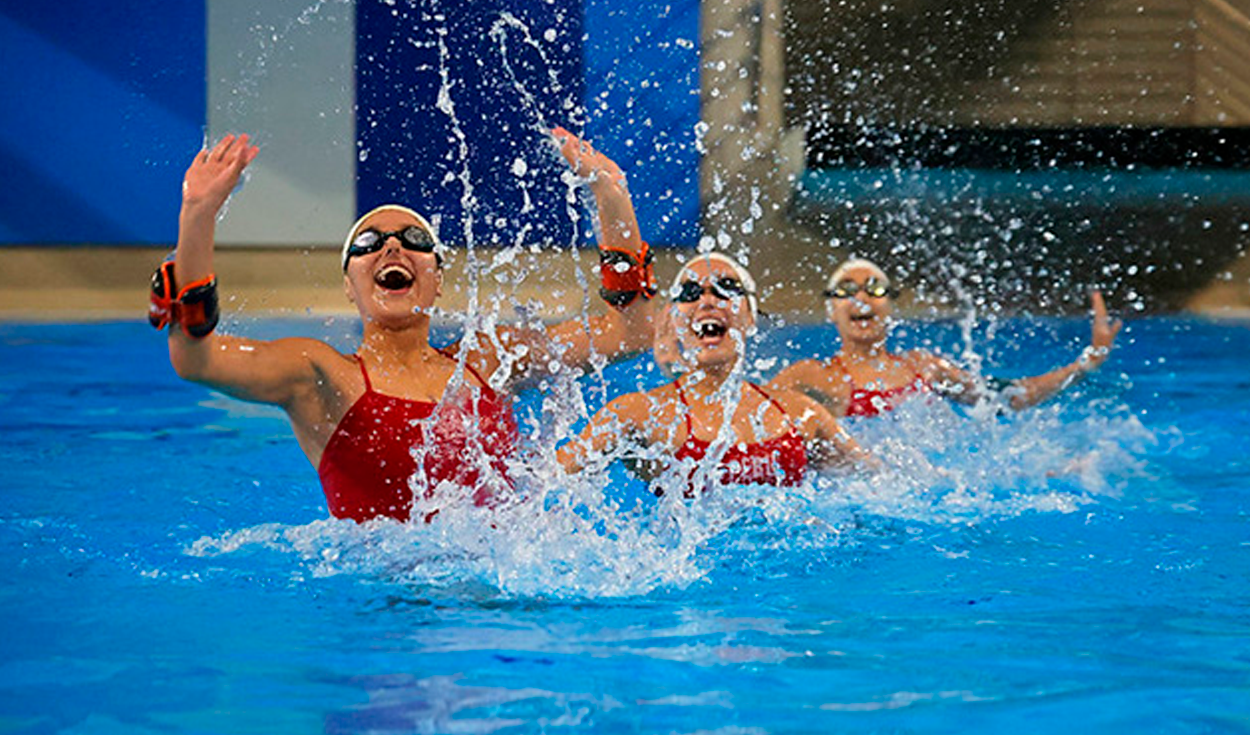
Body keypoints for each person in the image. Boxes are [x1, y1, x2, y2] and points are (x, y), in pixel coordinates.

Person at [152, 129, 657, 523]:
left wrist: (611, 195)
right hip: (383, 618)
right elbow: (197, 359)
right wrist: (198, 213)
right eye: (369, 243)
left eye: (412, 238)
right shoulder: (323, 377)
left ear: (437, 279)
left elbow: (630, 332)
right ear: (349, 285)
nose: (391, 247)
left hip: (498, 622)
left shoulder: (487, 362)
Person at [558, 253, 872, 494]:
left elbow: (884, 489)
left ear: (750, 317)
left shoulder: (800, 414)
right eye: (690, 292)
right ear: (676, 322)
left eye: (727, 289)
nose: (707, 300)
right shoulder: (638, 415)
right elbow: (549, 482)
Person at [768, 258, 1123, 417]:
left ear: (891, 304)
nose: (861, 297)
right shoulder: (809, 377)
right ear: (831, 310)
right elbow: (750, 417)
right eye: (846, 290)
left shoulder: (925, 368)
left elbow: (1006, 398)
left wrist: (1086, 363)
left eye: (874, 288)